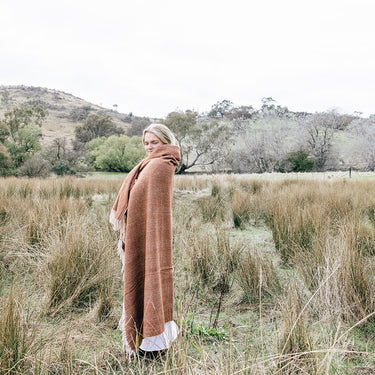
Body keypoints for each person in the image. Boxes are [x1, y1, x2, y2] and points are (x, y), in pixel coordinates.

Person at [110, 123, 180, 358]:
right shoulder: (150, 164)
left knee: (152, 281)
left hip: (152, 237)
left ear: (165, 142)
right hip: (141, 234)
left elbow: (153, 204)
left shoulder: (162, 165)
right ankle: (146, 341)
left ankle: (153, 344)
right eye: (146, 143)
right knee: (142, 281)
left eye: (154, 142)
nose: (149, 147)